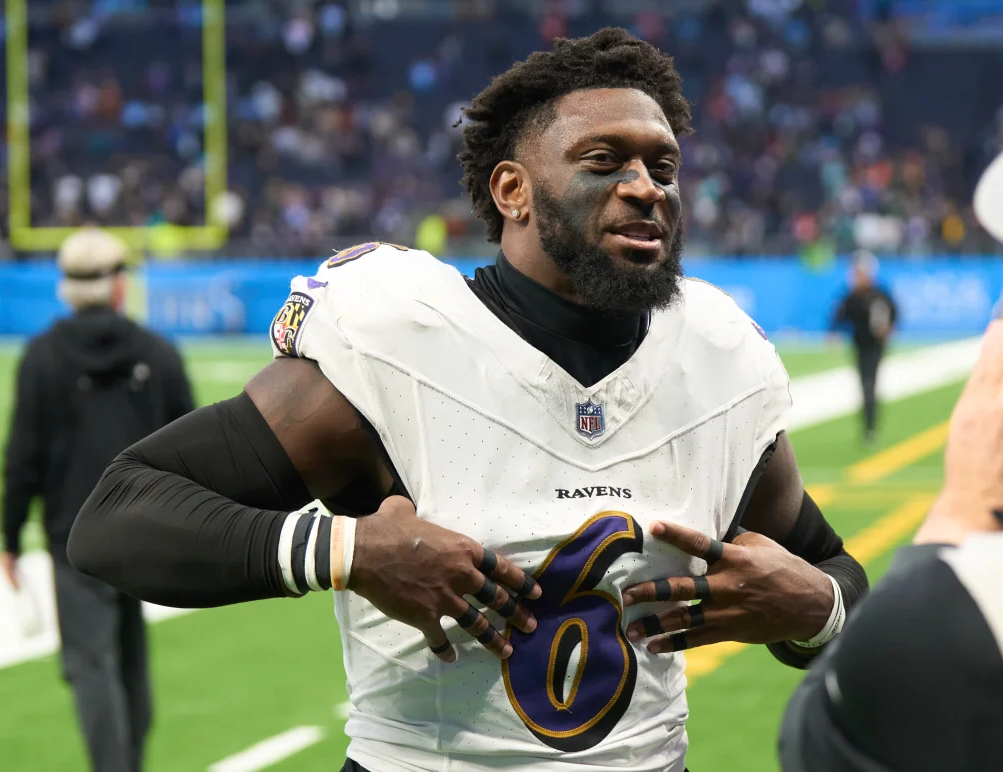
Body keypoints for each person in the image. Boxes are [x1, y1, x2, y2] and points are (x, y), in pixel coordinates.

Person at [68, 30, 868, 772]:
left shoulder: (719, 357)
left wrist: (816, 607)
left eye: (663, 167)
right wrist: (349, 554)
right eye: (604, 160)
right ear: (513, 190)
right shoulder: (399, 333)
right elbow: (119, 516)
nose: (644, 188)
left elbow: (829, 569)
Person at [779, 149, 1003, 772]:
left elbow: (818, 739)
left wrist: (959, 508)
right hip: (860, 353)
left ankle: (873, 423)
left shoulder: (955, 612)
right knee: (866, 392)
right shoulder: (861, 293)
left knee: (874, 392)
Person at [0, 228, 194, 772]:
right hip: (144, 530)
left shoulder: (41, 357)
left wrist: (12, 539)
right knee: (130, 658)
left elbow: (23, 458)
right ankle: (130, 760)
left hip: (75, 536)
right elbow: (194, 446)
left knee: (91, 664)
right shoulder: (157, 352)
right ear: (116, 286)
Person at [830, 252, 898, 445]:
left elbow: (893, 313)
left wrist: (889, 328)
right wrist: (834, 330)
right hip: (860, 345)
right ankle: (868, 427)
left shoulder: (878, 295)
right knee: (865, 385)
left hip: (875, 346)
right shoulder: (853, 296)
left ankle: (870, 427)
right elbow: (839, 315)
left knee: (869, 385)